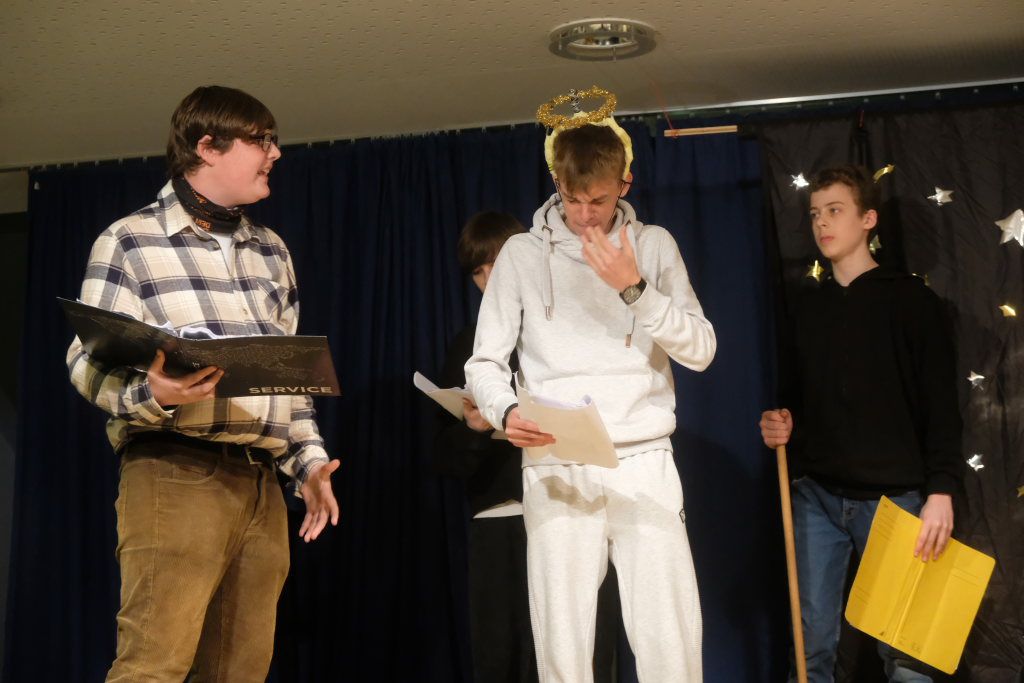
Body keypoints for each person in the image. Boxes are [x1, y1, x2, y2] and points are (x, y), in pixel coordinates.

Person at [66, 85, 339, 682]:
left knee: (240, 671)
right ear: (208, 147)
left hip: (261, 482)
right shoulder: (130, 240)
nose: (275, 153)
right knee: (154, 664)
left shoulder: (271, 251)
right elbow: (86, 364)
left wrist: (309, 465)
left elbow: (288, 379)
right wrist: (154, 394)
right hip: (176, 468)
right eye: (261, 140)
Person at [465, 87, 716, 682]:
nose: (584, 215)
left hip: (643, 458)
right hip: (556, 460)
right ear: (556, 183)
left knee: (668, 635)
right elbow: (484, 363)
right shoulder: (522, 255)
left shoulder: (653, 246)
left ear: (625, 184)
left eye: (598, 200)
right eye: (572, 199)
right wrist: (505, 413)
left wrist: (635, 288)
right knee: (563, 639)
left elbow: (701, 351)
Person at [759, 164, 962, 683]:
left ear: (868, 219)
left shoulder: (912, 301)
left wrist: (941, 489)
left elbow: (942, 404)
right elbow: (792, 401)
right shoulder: (807, 307)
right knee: (809, 647)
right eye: (814, 214)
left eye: (835, 211)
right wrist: (780, 423)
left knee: (905, 652)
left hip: (895, 499)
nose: (822, 224)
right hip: (817, 496)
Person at [434, 211, 621, 683]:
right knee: (501, 655)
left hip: (571, 507)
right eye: (478, 272)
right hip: (500, 518)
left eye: (498, 264)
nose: (489, 281)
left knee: (583, 651)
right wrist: (475, 427)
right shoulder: (469, 347)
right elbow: (445, 458)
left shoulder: (569, 330)